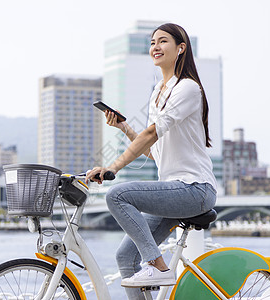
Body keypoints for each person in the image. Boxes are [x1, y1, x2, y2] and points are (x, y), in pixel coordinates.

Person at [86, 23, 217, 299]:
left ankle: (158, 266)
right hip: (174, 190)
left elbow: (150, 133)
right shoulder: (158, 90)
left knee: (118, 194)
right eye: (152, 42)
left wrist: (113, 167)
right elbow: (152, 148)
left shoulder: (188, 89)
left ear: (181, 48)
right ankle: (155, 268)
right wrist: (123, 127)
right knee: (125, 256)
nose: (155, 47)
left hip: (195, 189)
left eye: (163, 41)